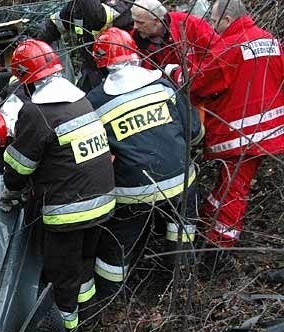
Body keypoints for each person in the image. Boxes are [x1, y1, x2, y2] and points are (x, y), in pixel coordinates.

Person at [2, 39, 115, 330]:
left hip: (69, 211)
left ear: (26, 80)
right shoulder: (81, 99)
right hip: (103, 201)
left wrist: (10, 192)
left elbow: (20, 165)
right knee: (84, 262)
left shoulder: (36, 112)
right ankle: (88, 315)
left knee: (61, 274)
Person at [86, 28, 202, 297]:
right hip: (180, 180)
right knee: (182, 225)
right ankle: (180, 282)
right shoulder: (163, 86)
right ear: (135, 56)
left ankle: (110, 298)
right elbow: (195, 133)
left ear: (101, 65)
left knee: (118, 243)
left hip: (131, 192)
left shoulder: (95, 102)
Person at [188, 0, 284, 270]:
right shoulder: (270, 40)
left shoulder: (229, 48)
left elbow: (199, 84)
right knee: (229, 186)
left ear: (228, 20)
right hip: (269, 132)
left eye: (216, 22)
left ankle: (218, 251)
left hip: (240, 137)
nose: (213, 29)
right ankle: (209, 226)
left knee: (233, 192)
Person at [35, 0, 133, 92]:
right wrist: (33, 46)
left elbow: (98, 18)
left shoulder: (121, 3)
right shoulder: (76, 6)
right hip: (92, 69)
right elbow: (54, 25)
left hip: (121, 68)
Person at [130, 0, 218, 75]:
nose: (135, 26)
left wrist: (194, 74)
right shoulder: (132, 40)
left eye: (140, 22)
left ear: (156, 20)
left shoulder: (190, 24)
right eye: (134, 21)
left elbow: (218, 51)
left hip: (194, 86)